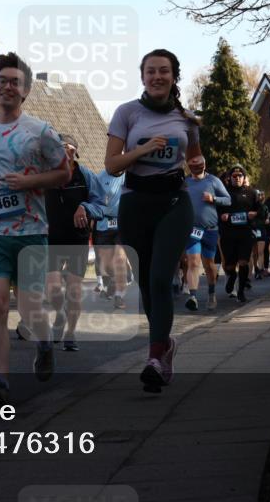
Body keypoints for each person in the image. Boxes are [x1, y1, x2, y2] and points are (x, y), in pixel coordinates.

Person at [0, 52, 69, 404]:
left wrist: (30, 182)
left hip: (30, 231)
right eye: (2, 81)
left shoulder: (40, 131)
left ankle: (43, 342)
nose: (8, 87)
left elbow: (64, 173)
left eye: (15, 82)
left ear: (24, 91)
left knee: (30, 308)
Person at [105, 48, 201, 393]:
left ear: (174, 76)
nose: (157, 77)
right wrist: (142, 151)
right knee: (146, 283)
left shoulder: (187, 119)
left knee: (161, 277)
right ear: (142, 76)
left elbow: (194, 159)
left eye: (164, 71)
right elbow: (112, 165)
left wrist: (199, 164)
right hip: (135, 203)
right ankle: (165, 346)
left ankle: (154, 359)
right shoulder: (127, 113)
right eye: (151, 71)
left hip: (174, 201)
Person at [42, 134, 105, 351]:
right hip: (52, 239)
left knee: (74, 290)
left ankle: (70, 333)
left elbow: (101, 205)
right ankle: (59, 316)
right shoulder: (46, 175)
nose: (62, 151)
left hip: (77, 239)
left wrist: (85, 207)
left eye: (67, 148)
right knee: (51, 288)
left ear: (74, 152)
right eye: (58, 147)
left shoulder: (85, 175)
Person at [183, 154, 230, 312]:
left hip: (210, 229)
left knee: (209, 265)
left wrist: (213, 198)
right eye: (192, 165)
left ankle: (211, 293)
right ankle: (193, 296)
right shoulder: (185, 182)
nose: (195, 167)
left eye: (198, 164)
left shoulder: (213, 181)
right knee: (193, 261)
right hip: (192, 229)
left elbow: (228, 200)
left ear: (204, 164)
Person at [219, 165, 260, 303]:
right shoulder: (223, 192)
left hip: (245, 233)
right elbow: (216, 209)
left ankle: (241, 291)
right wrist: (222, 216)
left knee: (243, 262)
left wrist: (256, 214)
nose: (237, 179)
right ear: (229, 178)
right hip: (228, 233)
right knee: (229, 265)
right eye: (234, 177)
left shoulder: (252, 193)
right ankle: (232, 276)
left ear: (244, 178)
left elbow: (261, 210)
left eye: (240, 176)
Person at [91, 170, 129, 310]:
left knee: (119, 259)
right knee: (106, 264)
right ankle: (113, 281)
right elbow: (91, 199)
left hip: (123, 222)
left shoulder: (130, 175)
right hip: (104, 223)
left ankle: (119, 295)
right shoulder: (99, 177)